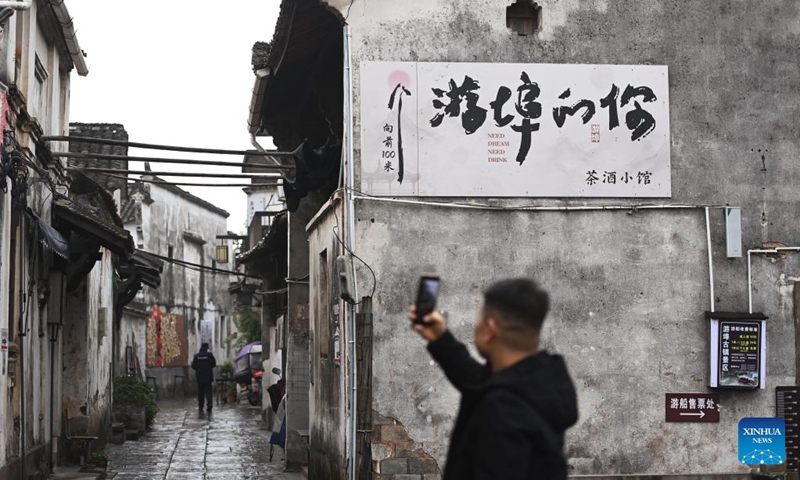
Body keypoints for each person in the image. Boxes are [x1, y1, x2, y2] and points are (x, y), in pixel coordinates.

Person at [409, 277, 578, 480]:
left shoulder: (501, 411)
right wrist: (440, 338)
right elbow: (478, 381)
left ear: (490, 330)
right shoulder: (539, 383)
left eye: (479, 320)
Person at [191, 342, 216, 413]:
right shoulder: (210, 355)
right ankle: (209, 405)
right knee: (208, 392)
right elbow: (214, 364)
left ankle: (201, 406)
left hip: (200, 377)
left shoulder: (196, 356)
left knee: (200, 392)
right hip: (208, 377)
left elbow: (193, 366)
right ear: (207, 347)